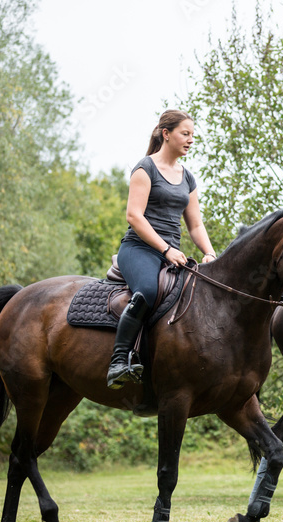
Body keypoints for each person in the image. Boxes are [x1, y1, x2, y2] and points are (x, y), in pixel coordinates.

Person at [106, 109, 218, 389]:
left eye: (193, 135)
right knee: (148, 291)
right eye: (185, 133)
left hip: (172, 254)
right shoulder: (145, 169)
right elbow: (134, 216)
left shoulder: (188, 178)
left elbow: (195, 225)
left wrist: (211, 253)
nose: (191, 140)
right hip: (139, 249)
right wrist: (166, 249)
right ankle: (118, 361)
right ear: (166, 134)